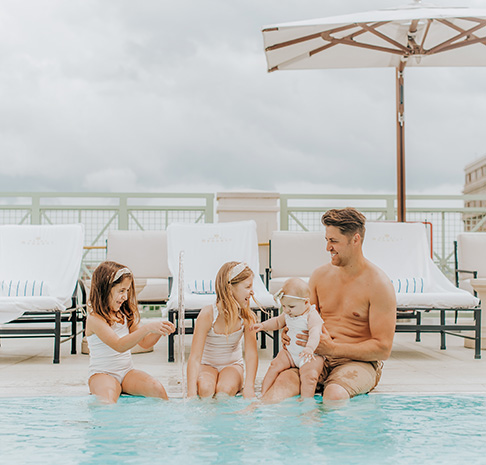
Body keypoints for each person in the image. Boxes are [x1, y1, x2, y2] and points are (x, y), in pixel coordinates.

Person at [262, 207, 396, 404]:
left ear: (355, 240)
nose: (328, 248)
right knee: (281, 385)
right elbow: (304, 316)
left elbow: (382, 349)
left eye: (334, 241)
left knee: (334, 395)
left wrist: (333, 349)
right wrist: (290, 329)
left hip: (357, 363)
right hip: (314, 358)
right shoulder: (319, 276)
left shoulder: (379, 285)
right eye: (327, 240)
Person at [86, 261, 175, 404]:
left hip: (127, 372)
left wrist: (160, 329)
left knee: (157, 388)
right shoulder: (95, 319)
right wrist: (147, 328)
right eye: (121, 291)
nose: (125, 297)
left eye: (127, 291)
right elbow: (119, 345)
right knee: (107, 401)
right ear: (104, 289)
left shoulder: (126, 313)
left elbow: (145, 343)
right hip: (102, 374)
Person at [187, 261, 258, 399]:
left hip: (232, 366)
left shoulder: (247, 317)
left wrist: (249, 387)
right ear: (230, 289)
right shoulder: (208, 314)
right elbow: (195, 357)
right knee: (206, 390)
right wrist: (190, 394)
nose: (252, 292)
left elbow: (251, 355)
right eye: (248, 286)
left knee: (224, 392)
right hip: (206, 365)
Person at [251, 278, 324, 399]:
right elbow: (277, 322)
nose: (286, 310)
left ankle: (306, 402)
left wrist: (310, 348)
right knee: (274, 365)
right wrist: (263, 325)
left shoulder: (311, 315)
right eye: (284, 306)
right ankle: (263, 393)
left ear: (306, 302)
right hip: (290, 353)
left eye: (291, 306)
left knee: (310, 377)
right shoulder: (288, 313)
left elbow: (315, 332)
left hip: (311, 355)